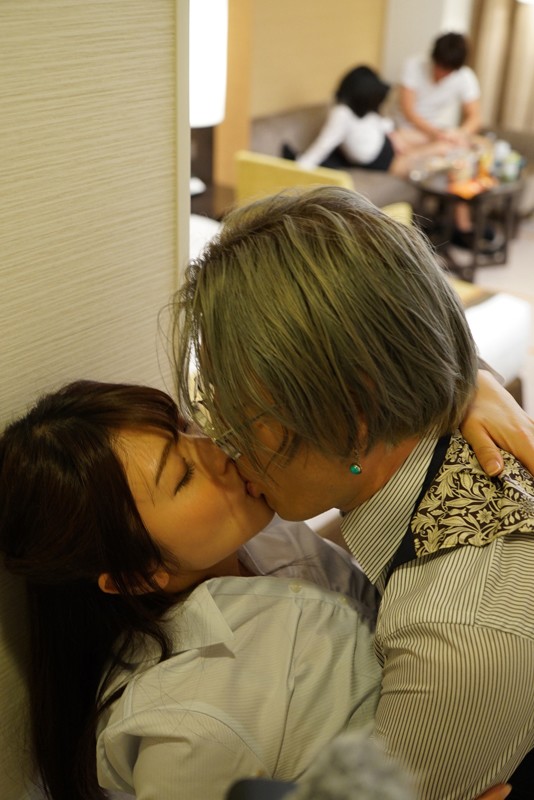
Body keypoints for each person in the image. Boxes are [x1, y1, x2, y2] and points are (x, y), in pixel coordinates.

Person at [175, 186, 534, 800]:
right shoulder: (440, 432)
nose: (222, 442)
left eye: (239, 412)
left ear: (352, 412)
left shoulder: (455, 638)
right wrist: (474, 378)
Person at [0, 385, 516, 800]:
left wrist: (473, 392)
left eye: (186, 428)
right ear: (137, 574)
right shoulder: (186, 726)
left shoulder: (265, 535)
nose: (217, 450)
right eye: (183, 476)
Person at [398, 32, 497, 250]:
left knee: (478, 149)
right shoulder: (414, 66)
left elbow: (475, 117)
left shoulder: (465, 77)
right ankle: (462, 226)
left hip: (441, 132)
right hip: (410, 130)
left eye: (448, 70)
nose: (441, 74)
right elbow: (408, 111)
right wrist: (437, 134)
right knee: (453, 151)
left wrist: (459, 133)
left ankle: (458, 224)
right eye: (439, 67)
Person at [290, 65, 451, 178]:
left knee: (434, 138)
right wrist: (295, 171)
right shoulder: (341, 114)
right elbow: (322, 146)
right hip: (384, 160)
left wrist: (392, 135)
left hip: (387, 140)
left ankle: (453, 140)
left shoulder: (361, 107)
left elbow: (378, 120)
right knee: (440, 149)